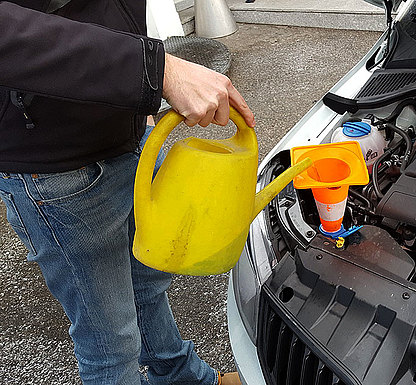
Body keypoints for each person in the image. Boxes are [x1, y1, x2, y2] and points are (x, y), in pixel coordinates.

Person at [0, 1, 255, 384]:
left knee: (146, 283)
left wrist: (139, 91)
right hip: (55, 165)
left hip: (129, 124)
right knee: (110, 342)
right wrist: (155, 69)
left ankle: (179, 376)